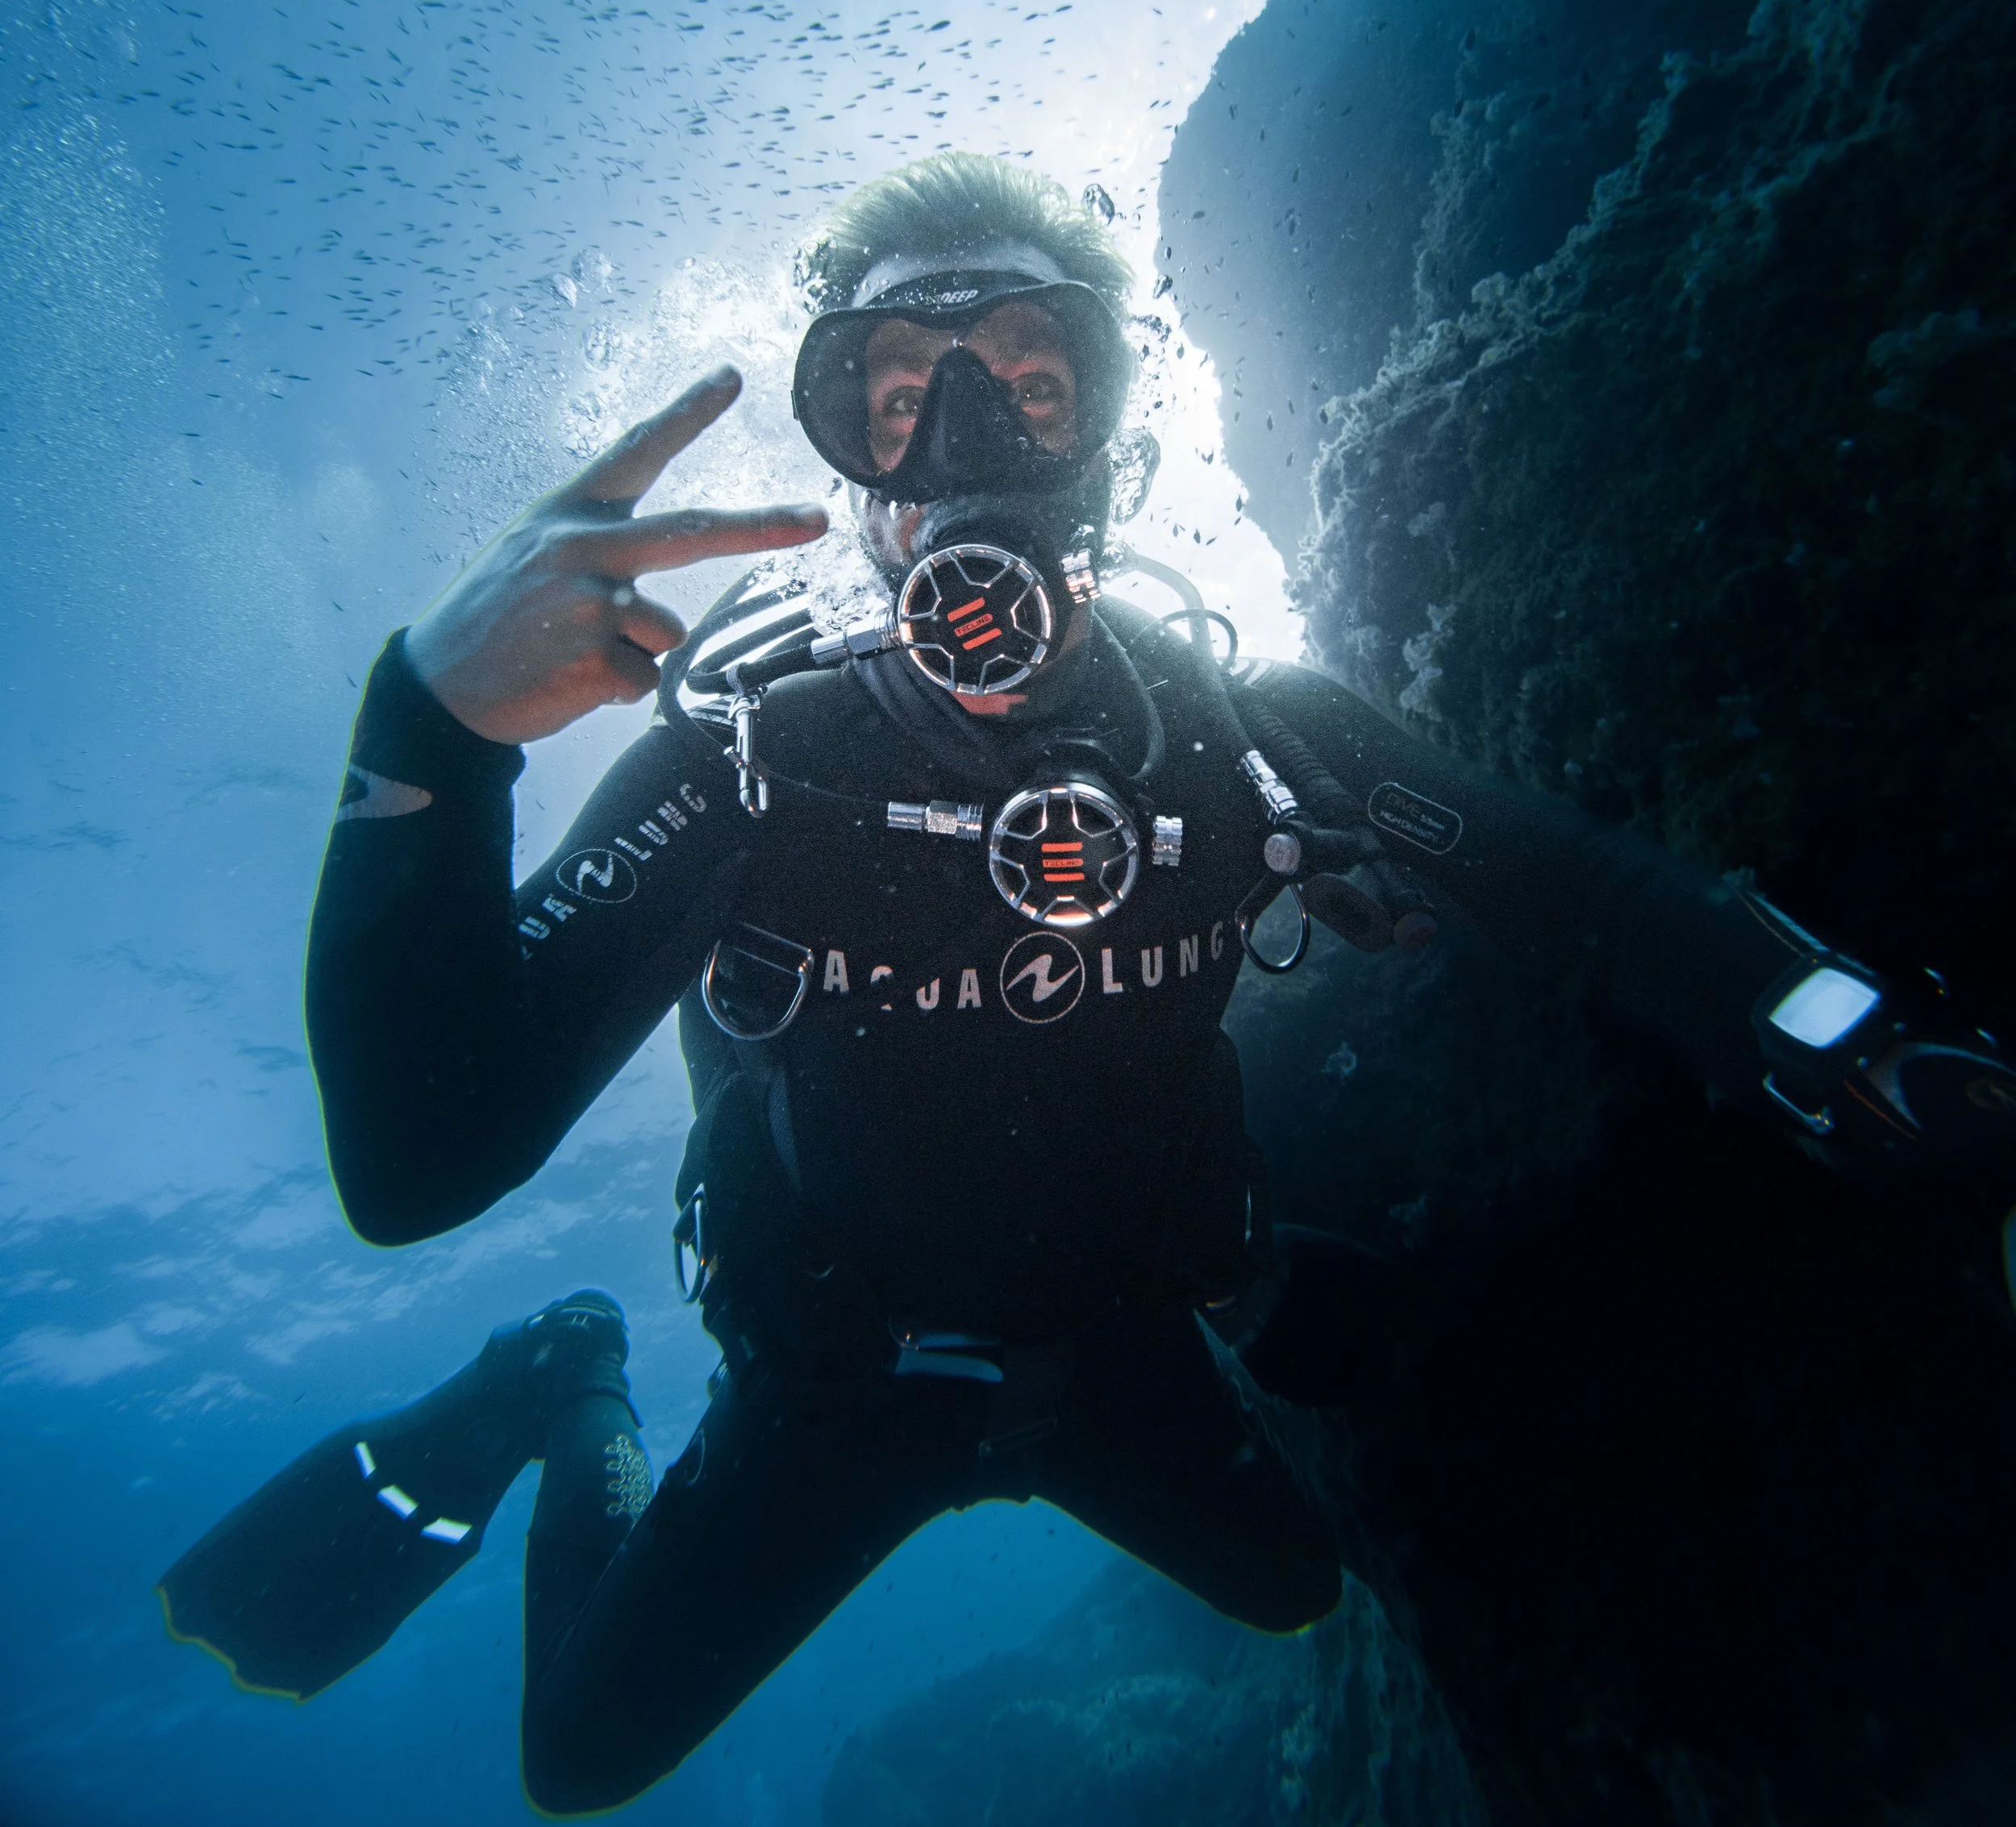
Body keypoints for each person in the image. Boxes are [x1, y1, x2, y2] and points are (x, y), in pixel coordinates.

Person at [157, 154, 2016, 1815]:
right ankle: (570, 1390)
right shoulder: (748, 765)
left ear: (1108, 440)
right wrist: (430, 731)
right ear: (851, 472)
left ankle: (1263, 1303)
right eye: (898, 399)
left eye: (1027, 384)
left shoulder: (1238, 737)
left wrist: (1845, 1036)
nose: (962, 445)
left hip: (1130, 1336)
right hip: (833, 1381)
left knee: (1295, 1587)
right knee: (573, 1759)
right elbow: (416, 1165)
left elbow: (1574, 888)